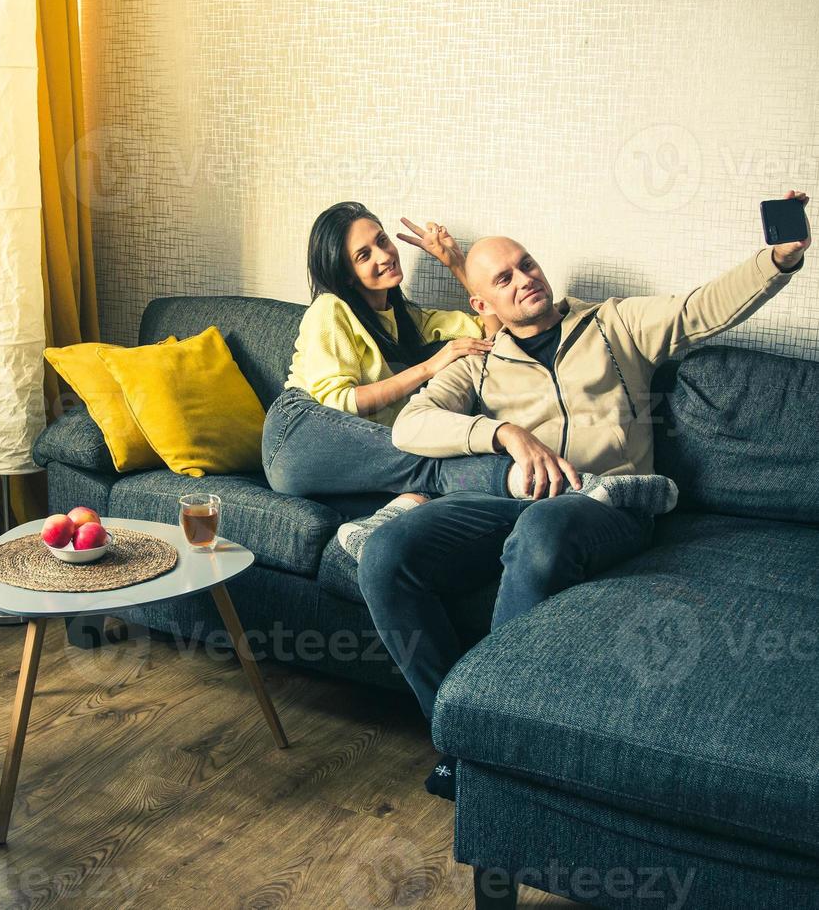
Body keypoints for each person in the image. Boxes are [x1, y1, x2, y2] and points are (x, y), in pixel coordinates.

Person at [355, 190, 811, 801]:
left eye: (528, 265)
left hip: (614, 505)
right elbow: (414, 424)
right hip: (525, 504)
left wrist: (777, 259)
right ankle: (462, 731)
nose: (525, 280)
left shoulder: (613, 323)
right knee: (388, 550)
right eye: (505, 278)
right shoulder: (481, 361)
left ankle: (489, 736)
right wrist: (503, 433)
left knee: (543, 530)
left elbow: (702, 309)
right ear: (480, 302)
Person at [262, 202, 678, 540]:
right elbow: (342, 402)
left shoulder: (412, 320)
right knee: (428, 457)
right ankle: (572, 487)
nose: (385, 255)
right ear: (344, 273)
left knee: (430, 458)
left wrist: (456, 262)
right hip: (299, 434)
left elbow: (495, 331)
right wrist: (429, 366)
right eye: (364, 255)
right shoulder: (330, 309)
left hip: (363, 458)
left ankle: (384, 521)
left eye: (382, 240)